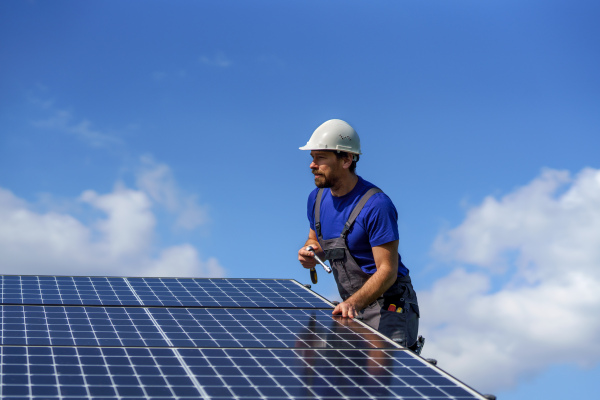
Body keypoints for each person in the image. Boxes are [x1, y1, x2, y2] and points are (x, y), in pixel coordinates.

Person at [297, 119, 421, 350]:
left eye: (320, 158)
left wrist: (353, 303)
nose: (312, 165)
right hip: (353, 304)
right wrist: (311, 252)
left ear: (346, 159)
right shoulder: (316, 199)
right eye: (312, 157)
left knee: (380, 379)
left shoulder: (376, 205)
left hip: (389, 303)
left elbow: (387, 270)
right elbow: (315, 240)